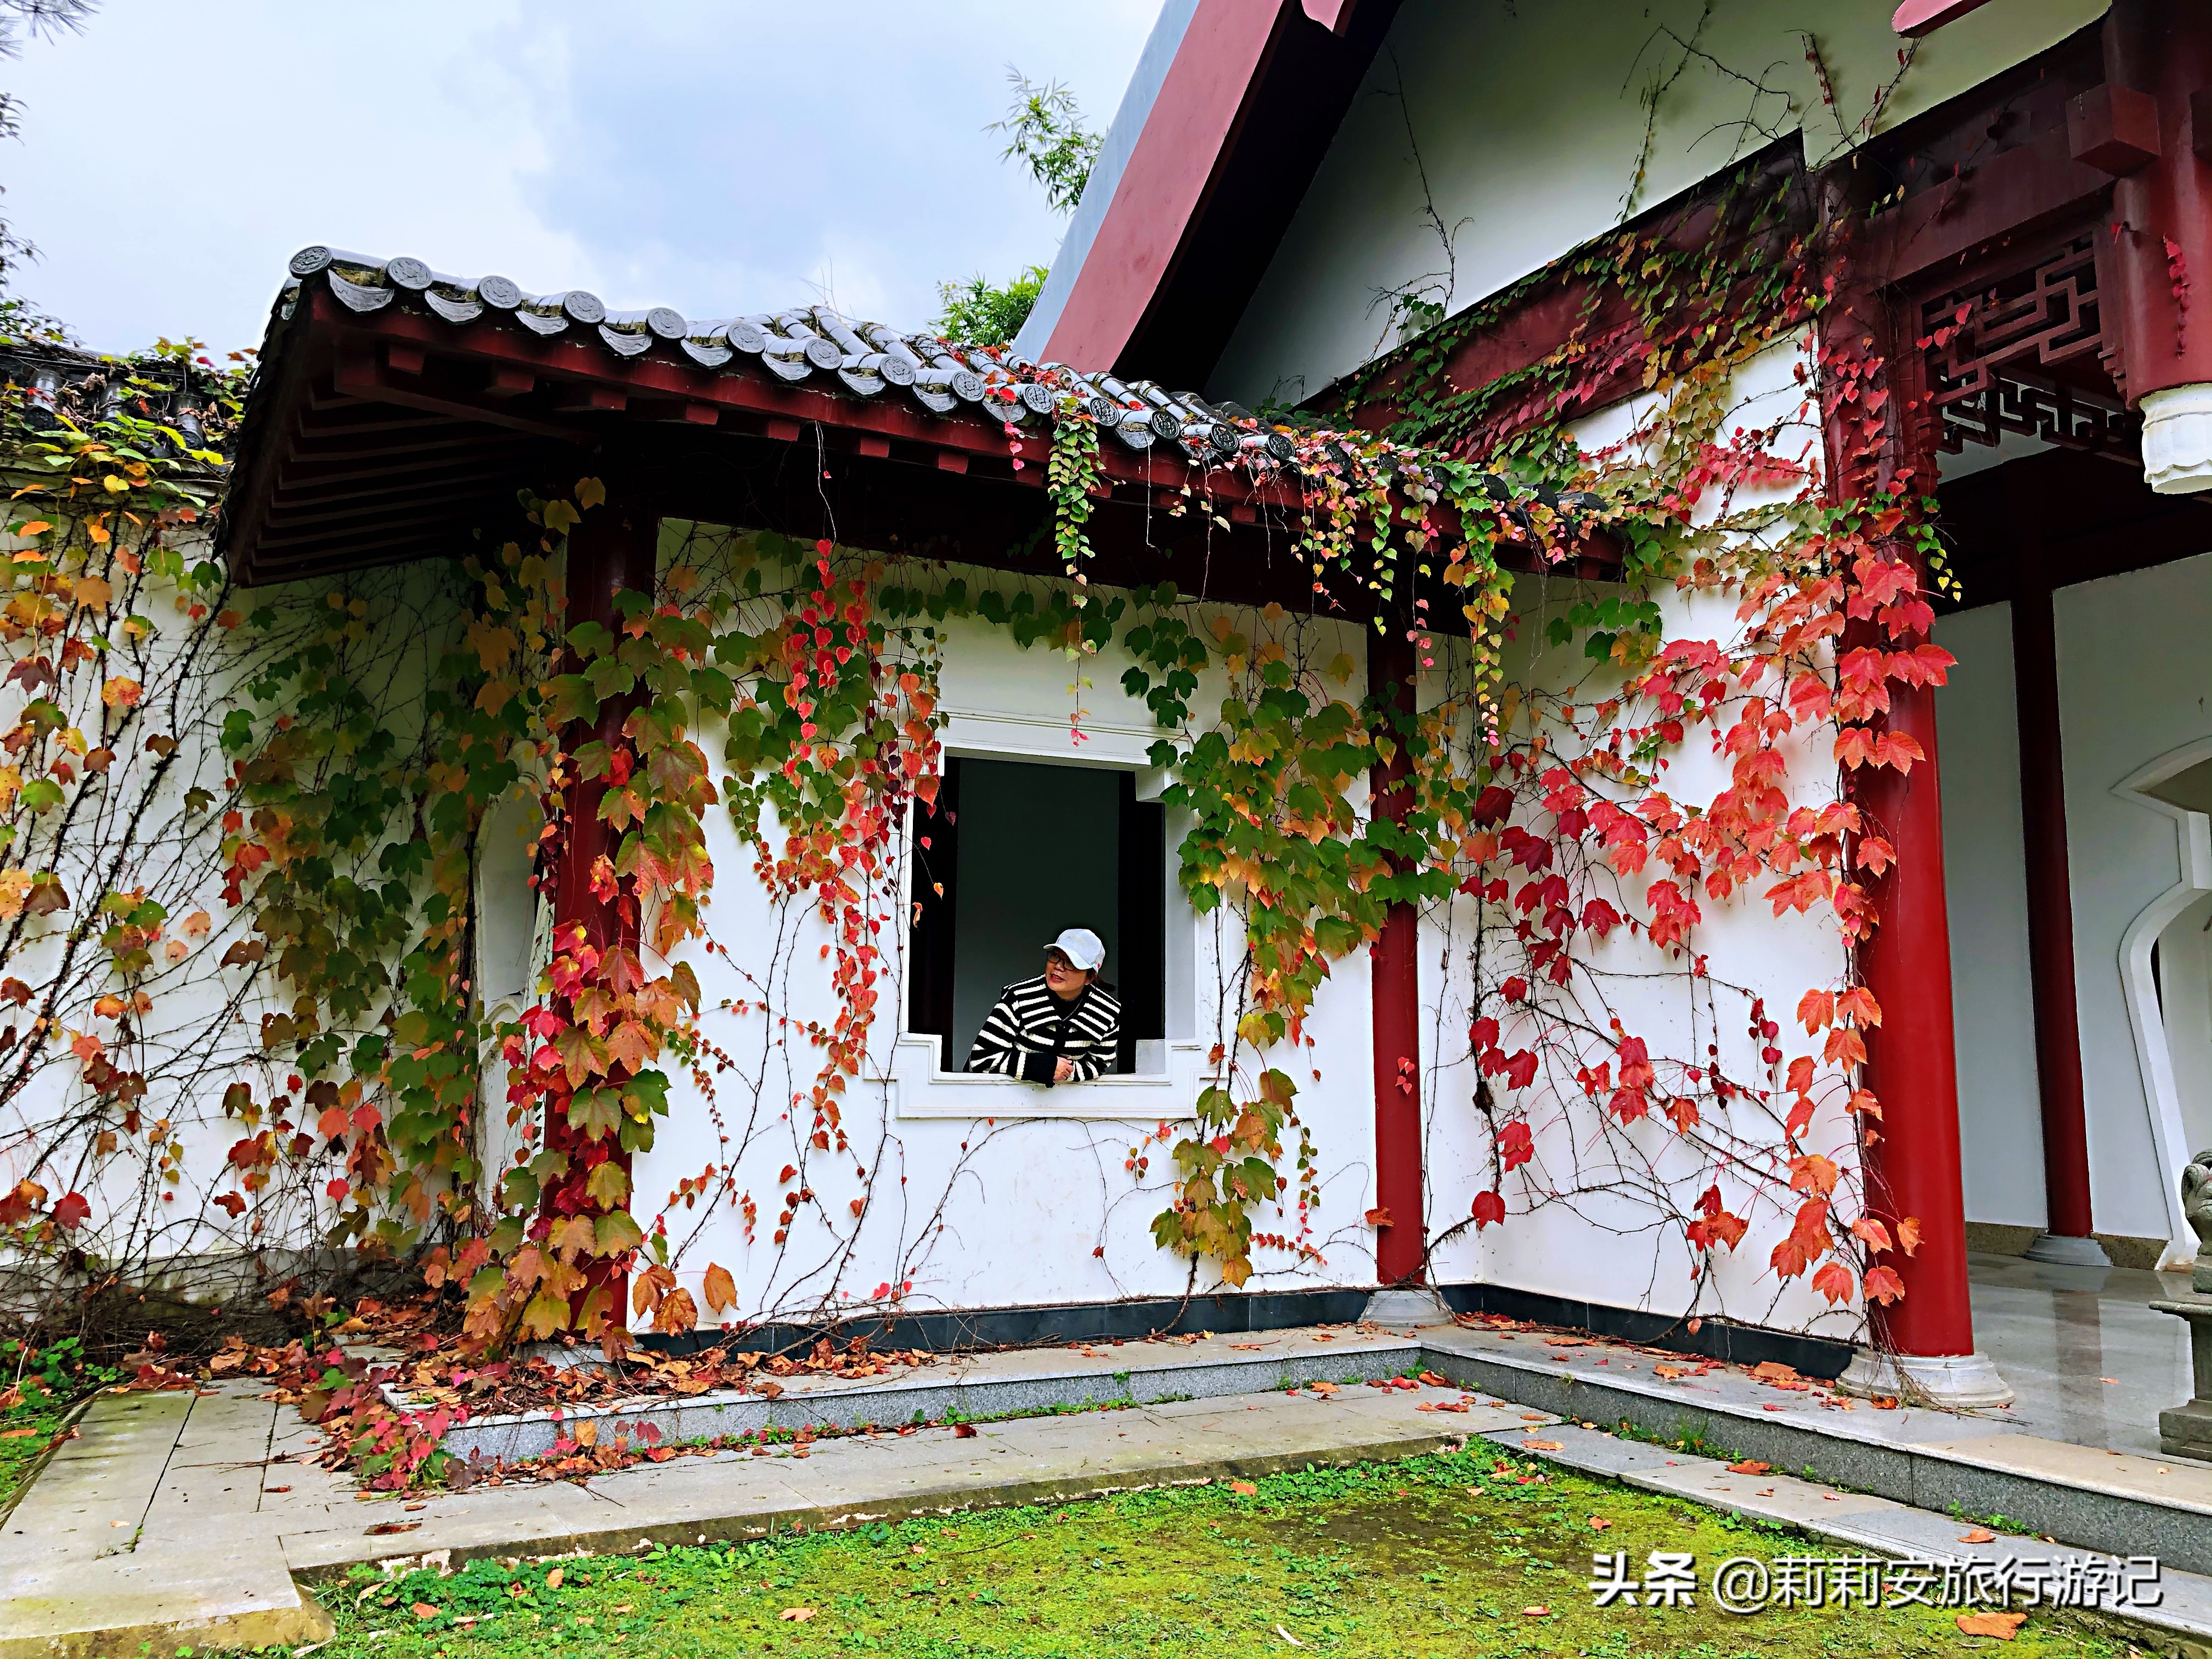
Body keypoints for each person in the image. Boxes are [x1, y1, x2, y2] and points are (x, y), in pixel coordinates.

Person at [964, 927, 1121, 1085]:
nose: (1059, 967)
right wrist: (1039, 1066)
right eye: (1055, 956)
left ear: (1090, 977)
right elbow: (981, 1058)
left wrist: (1065, 1072)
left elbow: (1098, 1065)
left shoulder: (1107, 1013)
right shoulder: (1019, 997)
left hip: (1065, 1105)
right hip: (1005, 1101)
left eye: (1071, 963)